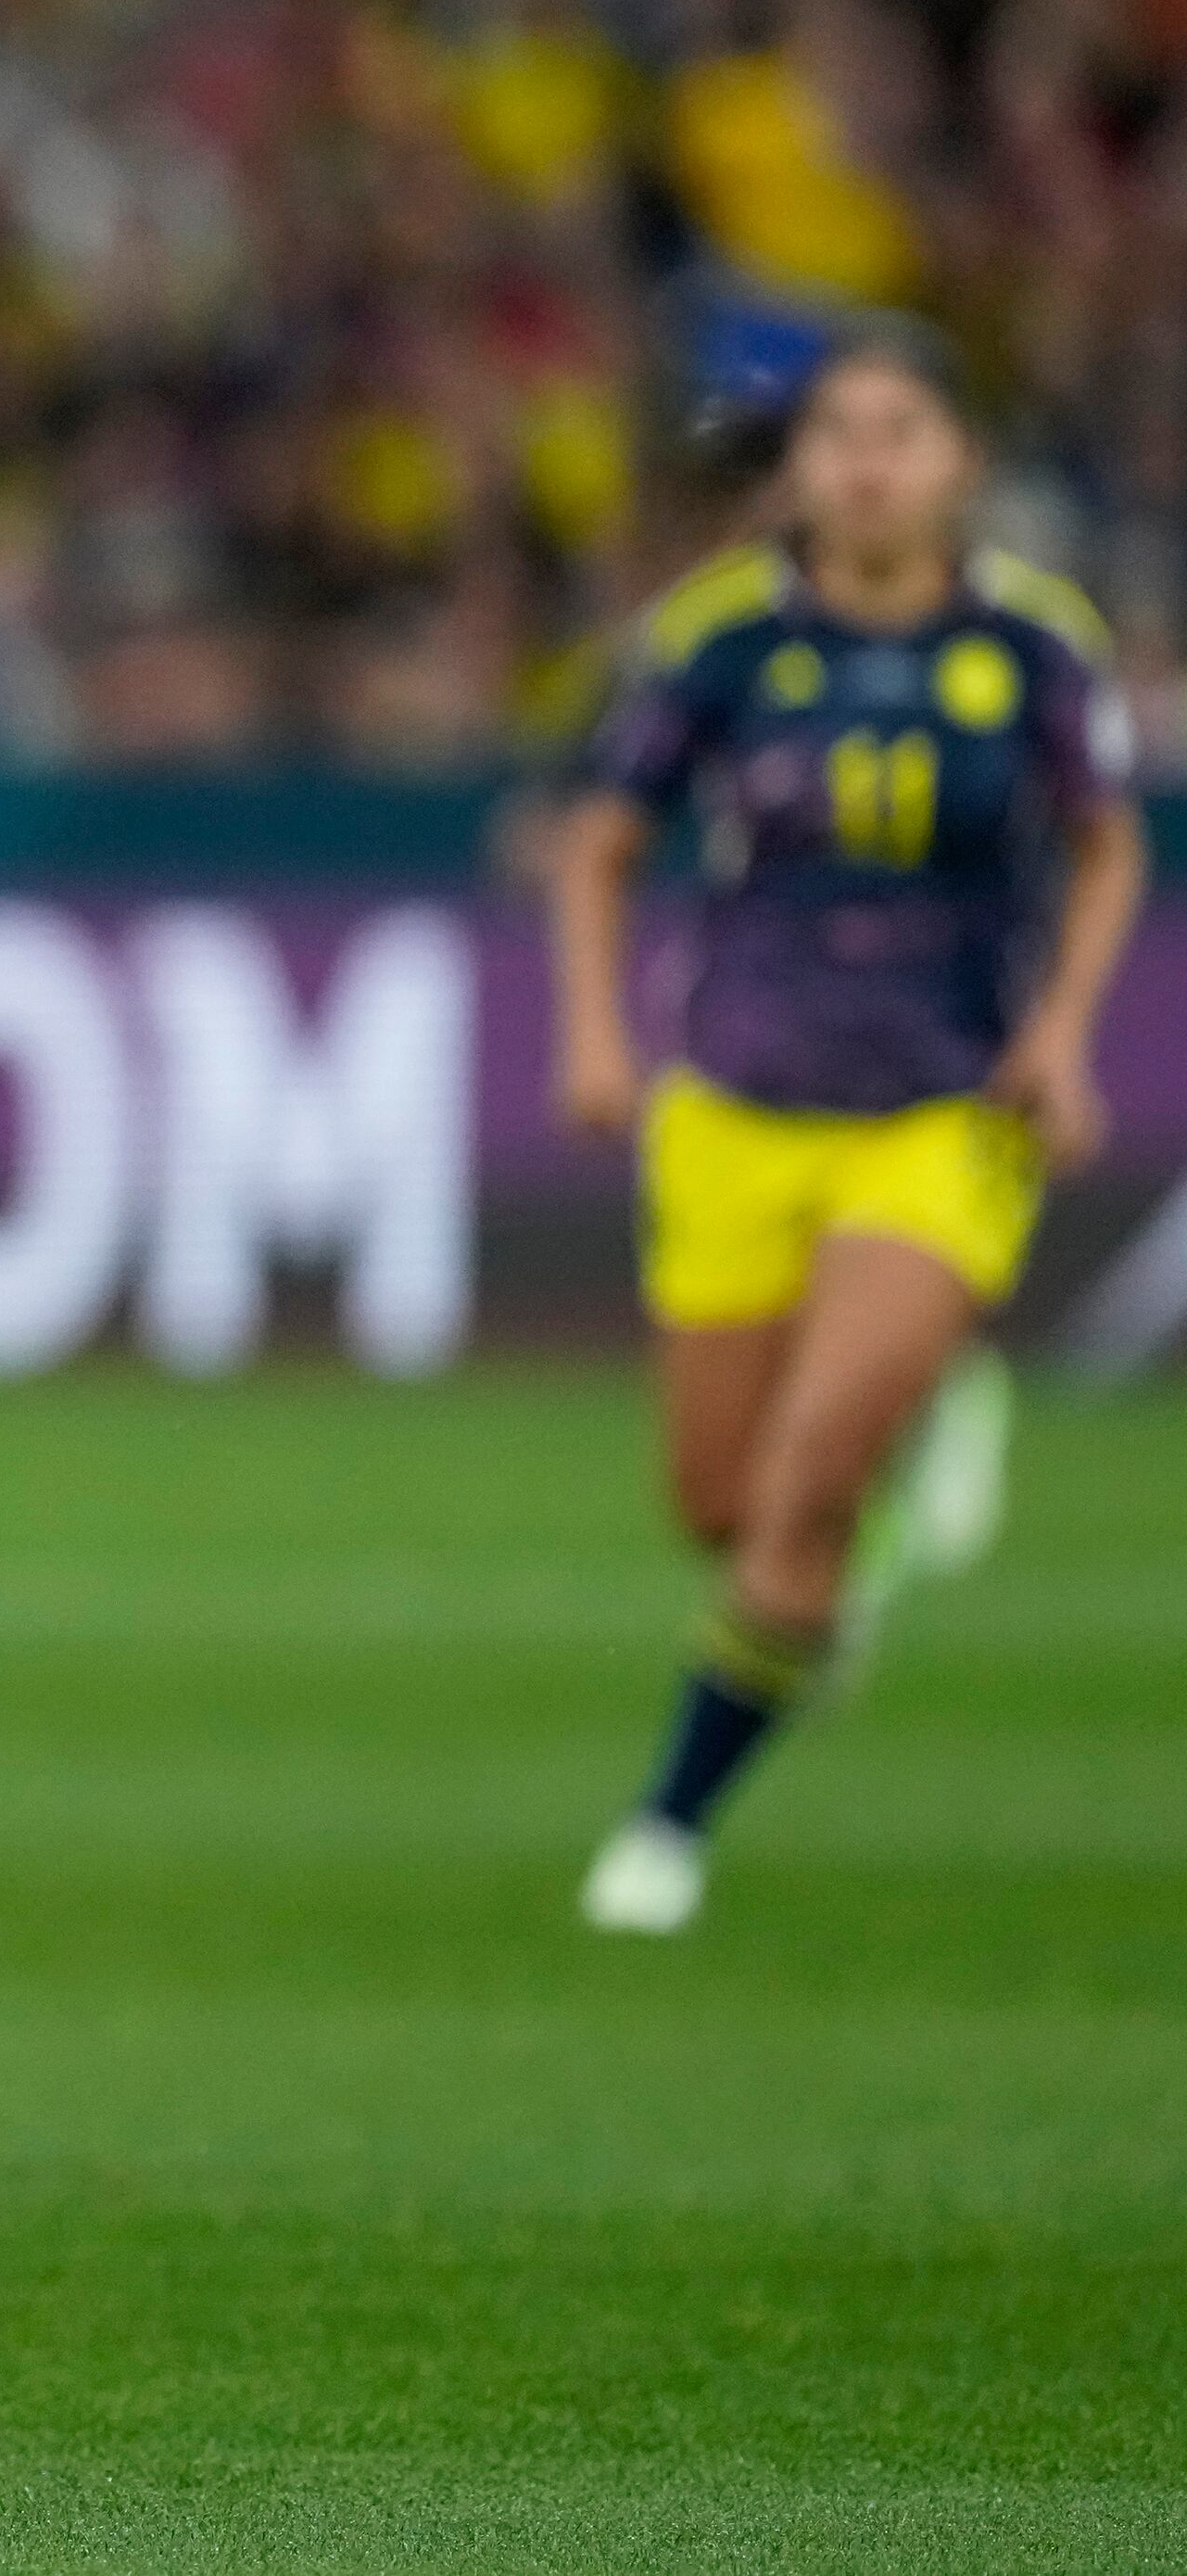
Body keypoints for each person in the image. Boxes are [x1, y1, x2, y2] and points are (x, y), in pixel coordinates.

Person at [548, 319, 1143, 1936]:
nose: (866, 463)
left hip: (938, 1108)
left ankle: (665, 1828)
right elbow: (602, 838)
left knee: (808, 1486)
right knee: (726, 1513)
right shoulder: (722, 638)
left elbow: (1105, 843)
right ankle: (917, 1409)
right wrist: (597, 1029)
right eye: (837, 434)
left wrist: (1061, 1031)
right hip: (738, 1101)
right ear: (799, 466)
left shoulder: (1030, 643)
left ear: (960, 462)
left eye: (900, 431)